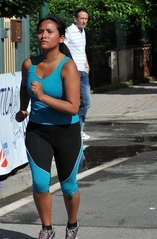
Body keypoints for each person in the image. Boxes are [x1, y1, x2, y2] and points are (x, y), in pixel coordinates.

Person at [15, 14, 82, 239]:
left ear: (61, 37)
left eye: (49, 31)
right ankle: (46, 228)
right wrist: (23, 108)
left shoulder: (68, 66)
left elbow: (73, 107)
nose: (43, 35)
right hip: (38, 131)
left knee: (68, 187)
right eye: (40, 31)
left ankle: (72, 226)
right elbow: (25, 86)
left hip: (66, 132)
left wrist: (43, 97)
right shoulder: (29, 64)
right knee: (41, 184)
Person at [64, 8, 91, 140]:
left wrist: (86, 64)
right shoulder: (69, 31)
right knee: (76, 101)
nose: (84, 21)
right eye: (82, 18)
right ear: (75, 19)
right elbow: (63, 49)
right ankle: (75, 131)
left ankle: (78, 129)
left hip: (83, 70)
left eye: (86, 19)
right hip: (74, 71)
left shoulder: (82, 32)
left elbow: (82, 49)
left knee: (86, 102)